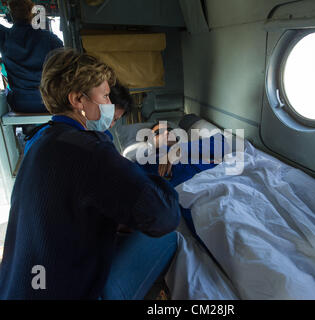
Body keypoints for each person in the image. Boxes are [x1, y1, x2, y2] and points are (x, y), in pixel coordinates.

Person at [0, 48, 180, 300]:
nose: (109, 105)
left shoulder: (39, 139)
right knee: (170, 237)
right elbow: (163, 216)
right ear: (77, 100)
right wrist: (161, 182)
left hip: (16, 288)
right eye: (105, 96)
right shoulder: (89, 149)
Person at [0, 0, 63, 113]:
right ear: (32, 14)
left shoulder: (5, 37)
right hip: (48, 102)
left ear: (11, 15)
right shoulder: (51, 39)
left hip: (19, 104)